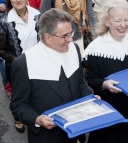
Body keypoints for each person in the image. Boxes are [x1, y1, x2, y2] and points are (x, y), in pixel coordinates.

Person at [10, 9, 93, 143]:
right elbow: (18, 106)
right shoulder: (23, 63)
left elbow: (80, 83)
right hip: (45, 137)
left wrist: (91, 98)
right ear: (48, 37)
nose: (70, 39)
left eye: (71, 33)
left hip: (74, 130)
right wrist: (37, 119)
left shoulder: (74, 49)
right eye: (65, 36)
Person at [83, 0, 128, 143]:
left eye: (126, 20)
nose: (122, 25)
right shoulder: (95, 48)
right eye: (117, 21)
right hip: (107, 108)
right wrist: (104, 84)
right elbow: (90, 78)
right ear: (107, 21)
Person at [0, 0, 40, 133]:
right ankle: (18, 118)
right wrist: (20, 61)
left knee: (37, 92)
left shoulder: (38, 15)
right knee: (19, 95)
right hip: (17, 67)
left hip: (39, 63)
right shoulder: (4, 22)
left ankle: (35, 117)